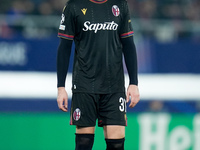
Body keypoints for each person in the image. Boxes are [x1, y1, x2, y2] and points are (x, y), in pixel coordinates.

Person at [56, 0, 140, 149]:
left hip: (114, 86)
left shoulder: (120, 5)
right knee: (84, 143)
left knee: (117, 145)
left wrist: (134, 83)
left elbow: (128, 44)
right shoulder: (74, 6)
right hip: (84, 84)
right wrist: (60, 87)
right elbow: (64, 48)